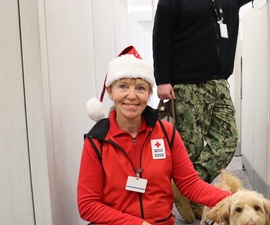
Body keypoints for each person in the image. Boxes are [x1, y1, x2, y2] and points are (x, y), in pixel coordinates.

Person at [77, 46, 232, 225]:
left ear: (149, 94)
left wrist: (235, 200)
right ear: (111, 92)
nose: (132, 95)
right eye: (123, 87)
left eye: (141, 88)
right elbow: (88, 204)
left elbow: (191, 185)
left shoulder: (166, 133)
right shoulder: (97, 141)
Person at [152, 0, 253, 222]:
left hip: (219, 82)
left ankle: (185, 186)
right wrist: (163, 79)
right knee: (191, 147)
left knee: (227, 142)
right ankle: (192, 194)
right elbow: (161, 37)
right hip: (187, 85)